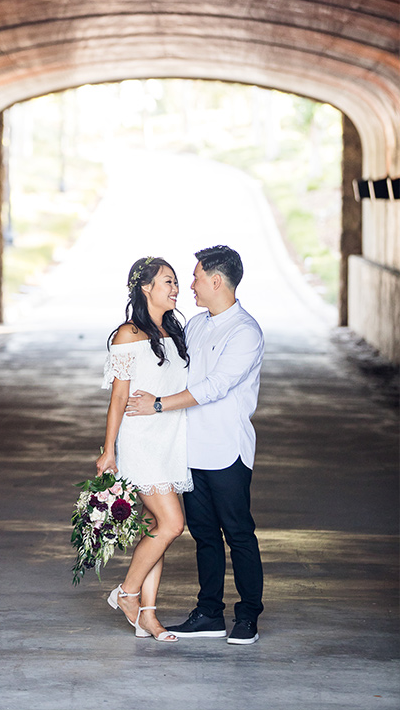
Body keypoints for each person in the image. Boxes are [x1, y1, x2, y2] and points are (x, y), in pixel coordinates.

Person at [126, 245, 265, 645]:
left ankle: (248, 616)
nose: (190, 285)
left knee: (238, 533)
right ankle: (209, 612)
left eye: (196, 277)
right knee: (204, 534)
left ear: (216, 281)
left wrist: (157, 405)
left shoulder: (245, 332)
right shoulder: (199, 325)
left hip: (227, 449)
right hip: (190, 449)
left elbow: (215, 387)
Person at [96, 256, 192, 643]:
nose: (175, 288)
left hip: (171, 439)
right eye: (167, 281)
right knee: (172, 524)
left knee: (157, 529)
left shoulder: (174, 330)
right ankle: (127, 593)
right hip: (141, 441)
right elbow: (118, 398)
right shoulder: (127, 335)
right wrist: (108, 452)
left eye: (176, 282)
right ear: (145, 287)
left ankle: (147, 615)